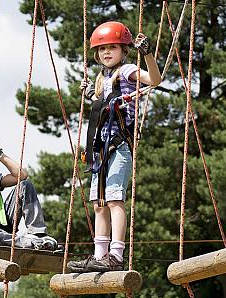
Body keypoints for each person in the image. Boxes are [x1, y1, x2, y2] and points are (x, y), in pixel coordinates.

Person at [67, 21, 161, 273]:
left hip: (119, 145)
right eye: (102, 49)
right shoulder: (102, 77)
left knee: (114, 199)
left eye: (112, 48)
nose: (106, 53)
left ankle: (116, 254)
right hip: (100, 150)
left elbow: (154, 79)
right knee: (99, 203)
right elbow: (103, 105)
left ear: (123, 50)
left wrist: (147, 55)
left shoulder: (127, 70)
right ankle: (100, 255)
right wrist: (91, 95)